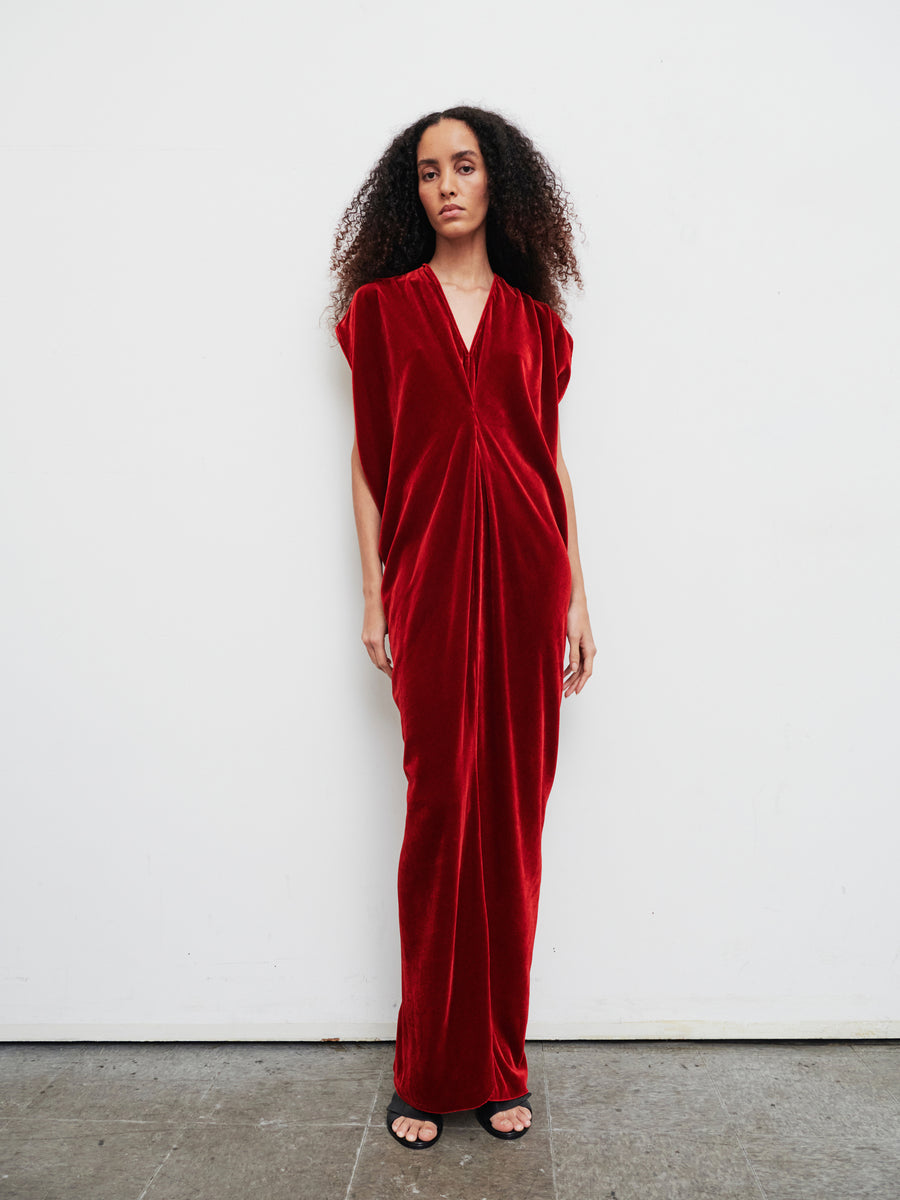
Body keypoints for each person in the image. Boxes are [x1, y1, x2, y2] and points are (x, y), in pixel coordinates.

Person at [330, 105, 596, 1149]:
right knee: (442, 809)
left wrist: (578, 591)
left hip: (530, 579)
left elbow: (551, 462)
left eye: (467, 166)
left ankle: (499, 1063)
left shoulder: (536, 325)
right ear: (415, 192)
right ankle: (426, 1067)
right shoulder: (384, 312)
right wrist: (371, 589)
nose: (448, 185)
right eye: (430, 171)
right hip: (431, 583)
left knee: (513, 822)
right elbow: (367, 462)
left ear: (500, 185)